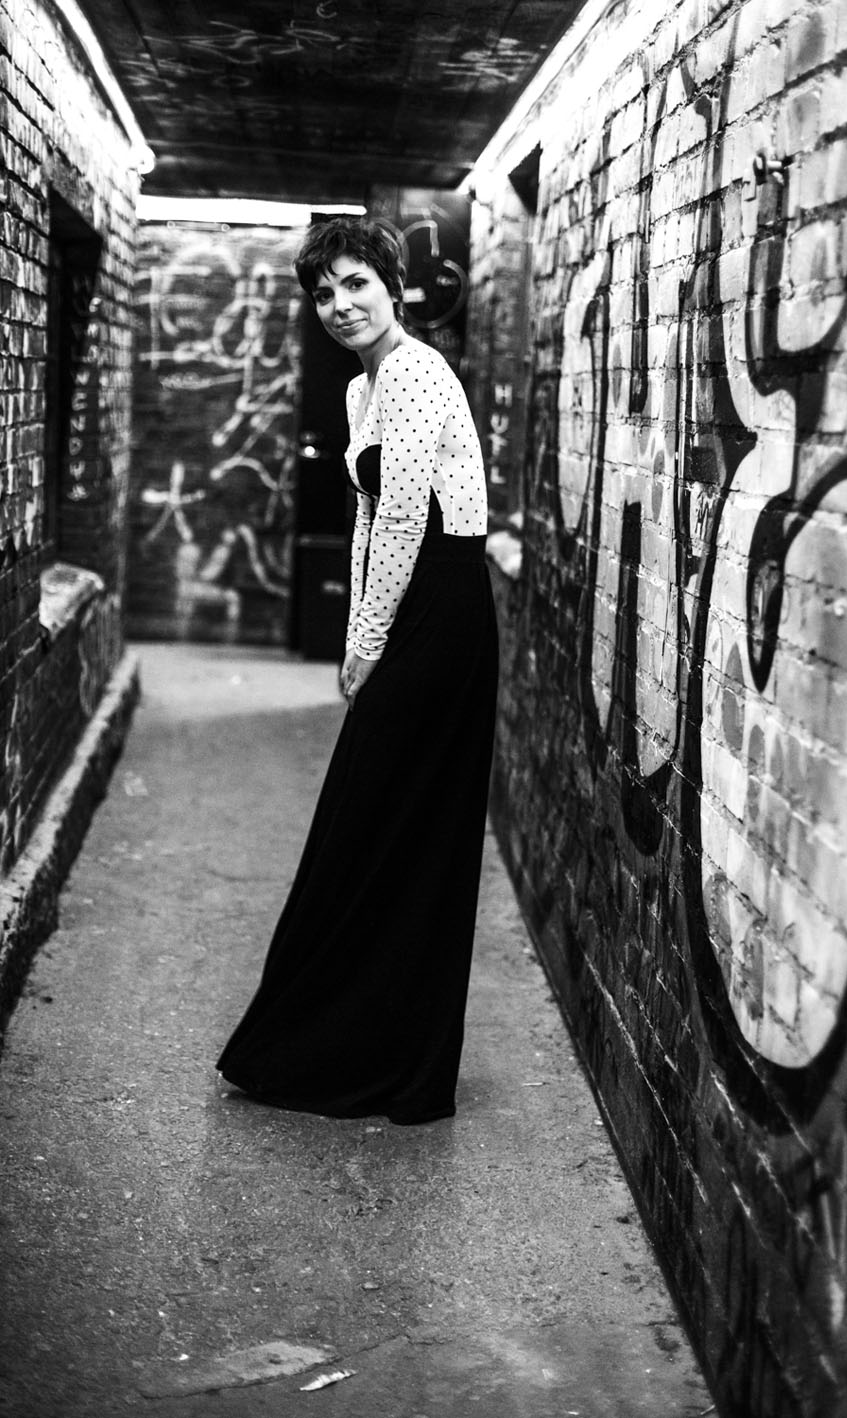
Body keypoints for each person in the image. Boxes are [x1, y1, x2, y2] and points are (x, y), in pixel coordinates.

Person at [216, 216, 498, 1125]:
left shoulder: (416, 371)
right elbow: (369, 518)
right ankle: (352, 1037)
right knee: (377, 820)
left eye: (355, 284)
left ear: (392, 286)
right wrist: (355, 635)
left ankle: (377, 1052)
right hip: (407, 597)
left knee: (382, 817)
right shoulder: (358, 388)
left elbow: (410, 518)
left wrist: (372, 643)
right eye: (323, 292)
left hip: (442, 604)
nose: (339, 305)